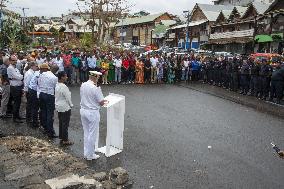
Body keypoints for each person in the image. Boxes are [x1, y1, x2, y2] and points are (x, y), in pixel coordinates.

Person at [80, 71, 108, 160]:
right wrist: (106, 101)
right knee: (92, 134)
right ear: (96, 77)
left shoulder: (83, 84)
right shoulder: (95, 88)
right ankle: (90, 155)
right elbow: (101, 102)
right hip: (92, 112)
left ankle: (86, 152)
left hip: (83, 110)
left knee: (86, 132)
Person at [38, 63, 58, 138]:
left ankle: (44, 127)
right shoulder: (54, 78)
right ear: (56, 71)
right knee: (50, 113)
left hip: (42, 93)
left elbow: (39, 83)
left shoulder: (43, 74)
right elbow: (55, 88)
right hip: (49, 95)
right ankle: (50, 131)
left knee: (43, 111)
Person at [55, 71, 73, 145]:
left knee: (61, 122)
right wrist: (71, 105)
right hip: (65, 107)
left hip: (59, 106)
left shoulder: (57, 85)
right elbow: (68, 98)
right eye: (65, 76)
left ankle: (62, 137)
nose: (67, 77)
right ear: (62, 77)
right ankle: (65, 139)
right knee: (65, 124)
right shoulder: (63, 86)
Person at [7, 55, 24, 123]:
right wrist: (20, 77)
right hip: (15, 87)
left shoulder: (15, 68)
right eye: (13, 60)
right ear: (10, 61)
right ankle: (15, 118)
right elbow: (19, 77)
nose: (15, 61)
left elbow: (19, 76)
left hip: (18, 87)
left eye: (16, 60)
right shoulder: (10, 68)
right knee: (16, 103)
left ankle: (17, 116)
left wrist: (19, 77)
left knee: (18, 102)